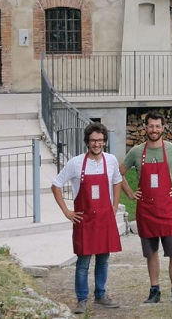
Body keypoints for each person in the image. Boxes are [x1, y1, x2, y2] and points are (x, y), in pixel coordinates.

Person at [119, 111, 172, 305]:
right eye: (151, 126)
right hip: (146, 210)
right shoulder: (137, 152)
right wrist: (130, 193)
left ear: (163, 128)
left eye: (157, 126)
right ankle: (154, 291)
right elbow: (118, 173)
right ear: (145, 128)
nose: (154, 130)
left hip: (167, 209)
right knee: (151, 253)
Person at [51, 122, 123, 314]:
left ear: (105, 142)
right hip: (85, 220)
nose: (96, 144)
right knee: (83, 263)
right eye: (93, 140)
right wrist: (67, 211)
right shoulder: (75, 163)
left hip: (105, 219)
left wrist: (115, 206)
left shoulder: (111, 161)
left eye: (100, 140)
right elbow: (55, 185)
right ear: (87, 142)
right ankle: (82, 299)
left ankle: (101, 294)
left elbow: (117, 181)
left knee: (103, 259)